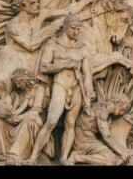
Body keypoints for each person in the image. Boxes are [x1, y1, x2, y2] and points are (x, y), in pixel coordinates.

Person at [30, 14, 95, 164]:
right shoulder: (52, 45)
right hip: (60, 85)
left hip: (77, 88)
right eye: (73, 28)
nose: (76, 32)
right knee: (51, 121)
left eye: (78, 29)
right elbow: (44, 67)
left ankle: (64, 158)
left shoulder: (82, 48)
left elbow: (87, 73)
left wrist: (88, 94)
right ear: (65, 27)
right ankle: (33, 156)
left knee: (70, 122)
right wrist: (65, 64)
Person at [0, 68, 45, 164]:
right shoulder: (16, 93)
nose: (18, 86)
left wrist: (20, 117)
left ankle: (15, 155)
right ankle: (0, 155)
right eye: (16, 84)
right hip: (16, 121)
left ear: (26, 80)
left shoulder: (38, 89)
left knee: (26, 123)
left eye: (19, 83)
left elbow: (36, 110)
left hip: (32, 120)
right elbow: (11, 109)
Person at [64, 93, 133, 165]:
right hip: (84, 140)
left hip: (89, 139)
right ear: (117, 102)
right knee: (110, 161)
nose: (121, 113)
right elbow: (107, 136)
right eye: (122, 109)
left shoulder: (106, 113)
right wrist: (121, 153)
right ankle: (77, 157)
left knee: (113, 158)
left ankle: (78, 154)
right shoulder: (102, 110)